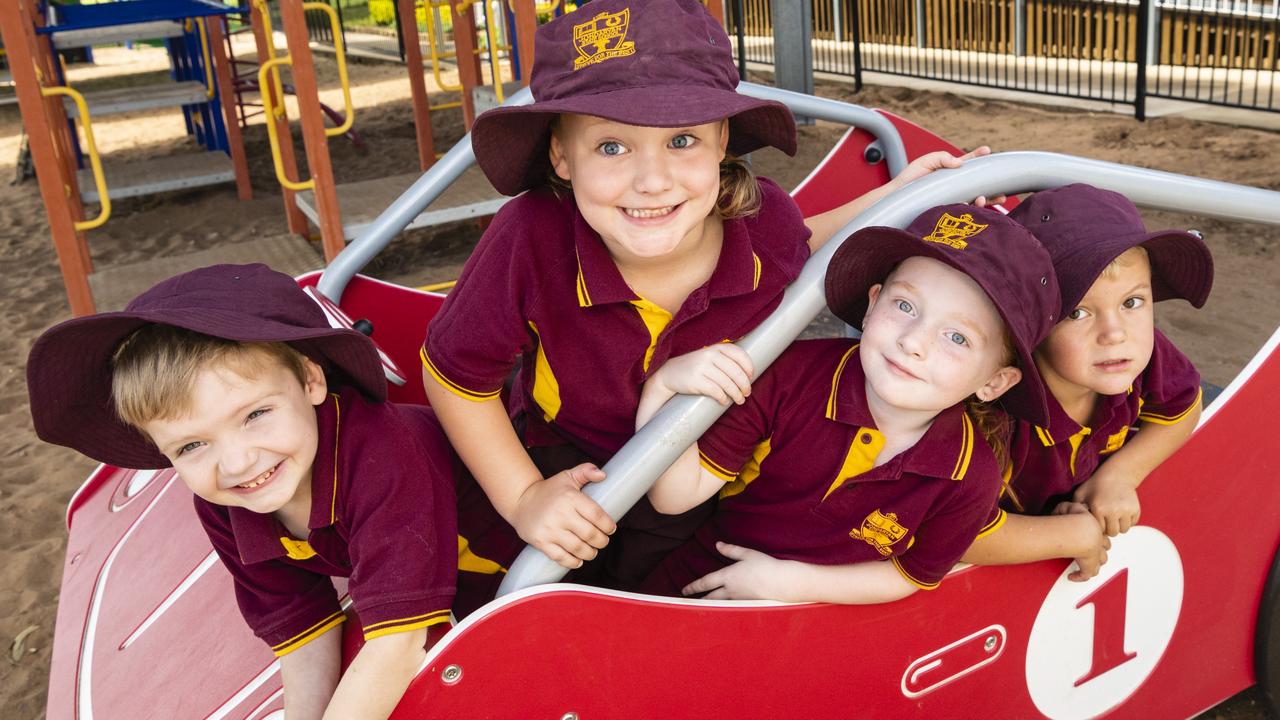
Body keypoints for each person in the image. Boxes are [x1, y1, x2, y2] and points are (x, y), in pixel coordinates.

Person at [422, 0, 988, 598]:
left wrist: (897, 198)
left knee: (646, 603)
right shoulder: (530, 235)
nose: (652, 180)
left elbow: (805, 241)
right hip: (555, 455)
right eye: (611, 147)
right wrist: (522, 497)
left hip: (687, 460)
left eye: (682, 140)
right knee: (504, 588)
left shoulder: (761, 221)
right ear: (561, 155)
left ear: (721, 141)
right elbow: (455, 377)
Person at [27, 264, 458, 720]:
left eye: (255, 415)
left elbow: (401, 645)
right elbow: (306, 632)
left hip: (516, 570)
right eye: (192, 445)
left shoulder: (383, 454)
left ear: (311, 381)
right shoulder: (225, 504)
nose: (237, 464)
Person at [636, 204, 1061, 602]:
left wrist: (795, 583)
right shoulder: (790, 375)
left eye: (957, 337)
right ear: (872, 303)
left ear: (994, 382)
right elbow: (673, 497)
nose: (912, 341)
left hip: (821, 619)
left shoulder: (971, 474)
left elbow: (910, 575)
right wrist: (661, 387)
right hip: (704, 583)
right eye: (905, 305)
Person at [962, 184, 1213, 580]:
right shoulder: (994, 407)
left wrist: (1122, 474)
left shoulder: (1135, 356)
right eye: (1078, 312)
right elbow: (956, 532)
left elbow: (1183, 406)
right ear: (1029, 326)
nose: (1115, 333)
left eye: (1132, 302)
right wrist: (1067, 534)